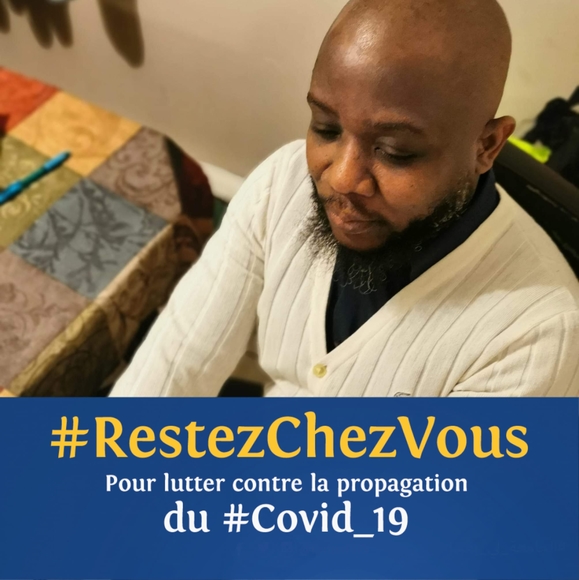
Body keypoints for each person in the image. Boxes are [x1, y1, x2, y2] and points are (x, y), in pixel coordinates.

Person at [112, 0, 579, 398]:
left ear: (487, 146)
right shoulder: (282, 186)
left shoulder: (533, 337)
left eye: (395, 152)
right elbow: (175, 360)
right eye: (326, 128)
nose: (341, 178)